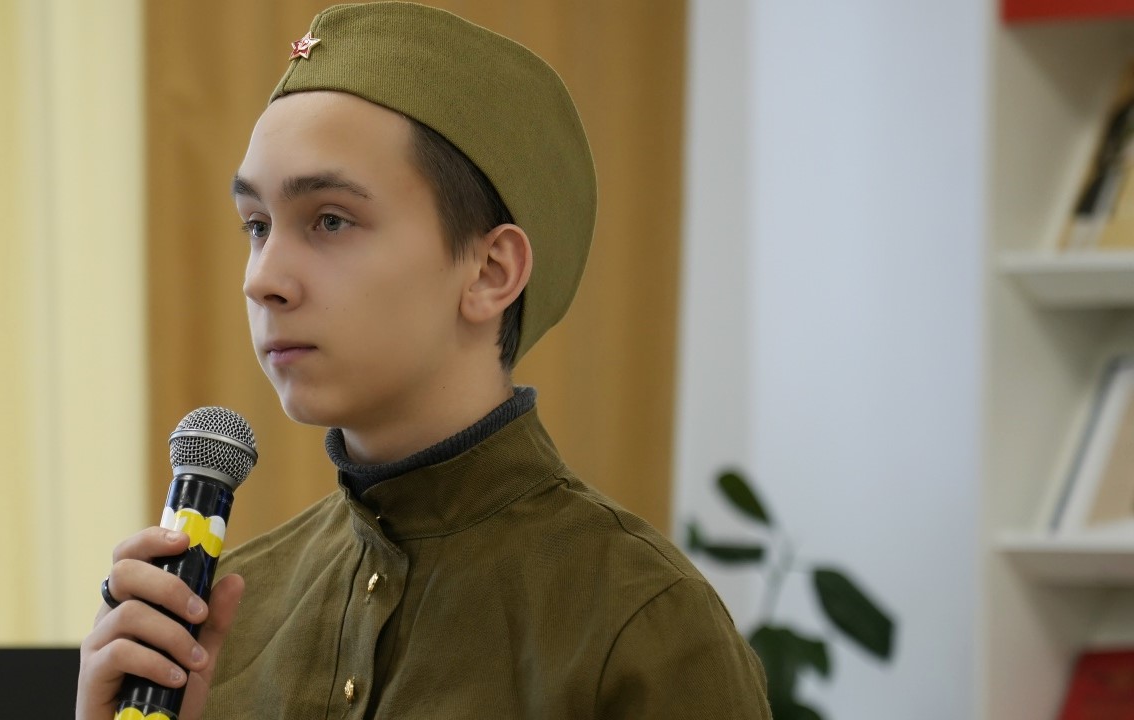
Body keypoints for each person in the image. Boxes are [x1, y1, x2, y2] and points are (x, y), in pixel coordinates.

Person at [77, 3, 772, 718]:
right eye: (257, 226)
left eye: (330, 220)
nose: (263, 279)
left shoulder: (643, 627)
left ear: (491, 272)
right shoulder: (220, 622)